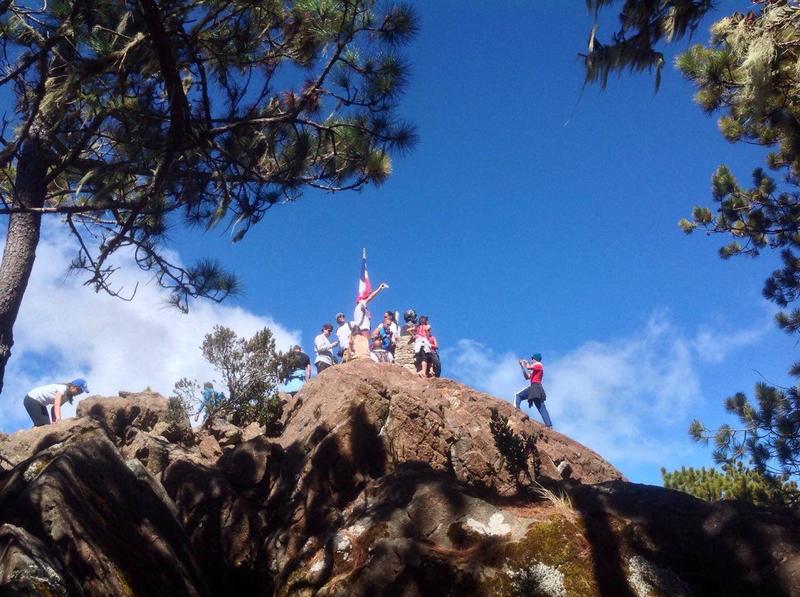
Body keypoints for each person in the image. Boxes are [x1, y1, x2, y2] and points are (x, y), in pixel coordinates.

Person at [23, 379, 89, 427]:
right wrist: (58, 420)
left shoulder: (67, 397)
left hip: (41, 404)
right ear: (73, 386)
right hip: (31, 399)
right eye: (79, 390)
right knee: (42, 425)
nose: (79, 393)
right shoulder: (62, 389)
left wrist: (54, 422)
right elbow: (56, 405)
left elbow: (54, 408)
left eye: (81, 392)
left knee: (47, 425)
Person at [514, 353, 552, 428]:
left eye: (532, 358)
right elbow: (527, 377)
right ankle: (549, 425)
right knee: (541, 407)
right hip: (539, 389)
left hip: (535, 387)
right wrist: (522, 366)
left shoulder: (538, 364)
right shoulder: (537, 368)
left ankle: (516, 409)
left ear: (534, 359)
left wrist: (524, 363)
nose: (531, 360)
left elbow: (528, 367)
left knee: (518, 395)